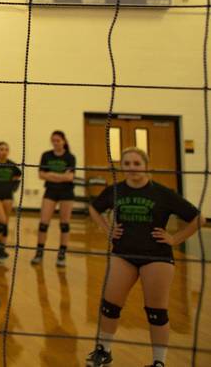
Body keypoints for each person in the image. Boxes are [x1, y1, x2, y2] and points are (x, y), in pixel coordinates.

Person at [85, 148, 201, 367]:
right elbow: (93, 208)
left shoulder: (162, 193)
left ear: (147, 165)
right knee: (110, 306)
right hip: (123, 254)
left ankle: (159, 362)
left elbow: (198, 218)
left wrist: (175, 239)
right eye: (127, 163)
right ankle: (104, 350)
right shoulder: (116, 191)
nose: (131, 168)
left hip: (156, 257)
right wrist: (106, 229)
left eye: (136, 163)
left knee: (156, 312)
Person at [31, 130, 76, 267]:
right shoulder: (46, 155)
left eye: (58, 140)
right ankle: (39, 252)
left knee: (64, 224)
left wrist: (51, 174)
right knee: (43, 223)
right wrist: (60, 176)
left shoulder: (69, 157)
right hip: (50, 191)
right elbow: (41, 174)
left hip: (66, 192)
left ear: (64, 141)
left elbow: (70, 177)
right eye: (53, 141)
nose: (55, 143)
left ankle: (61, 254)